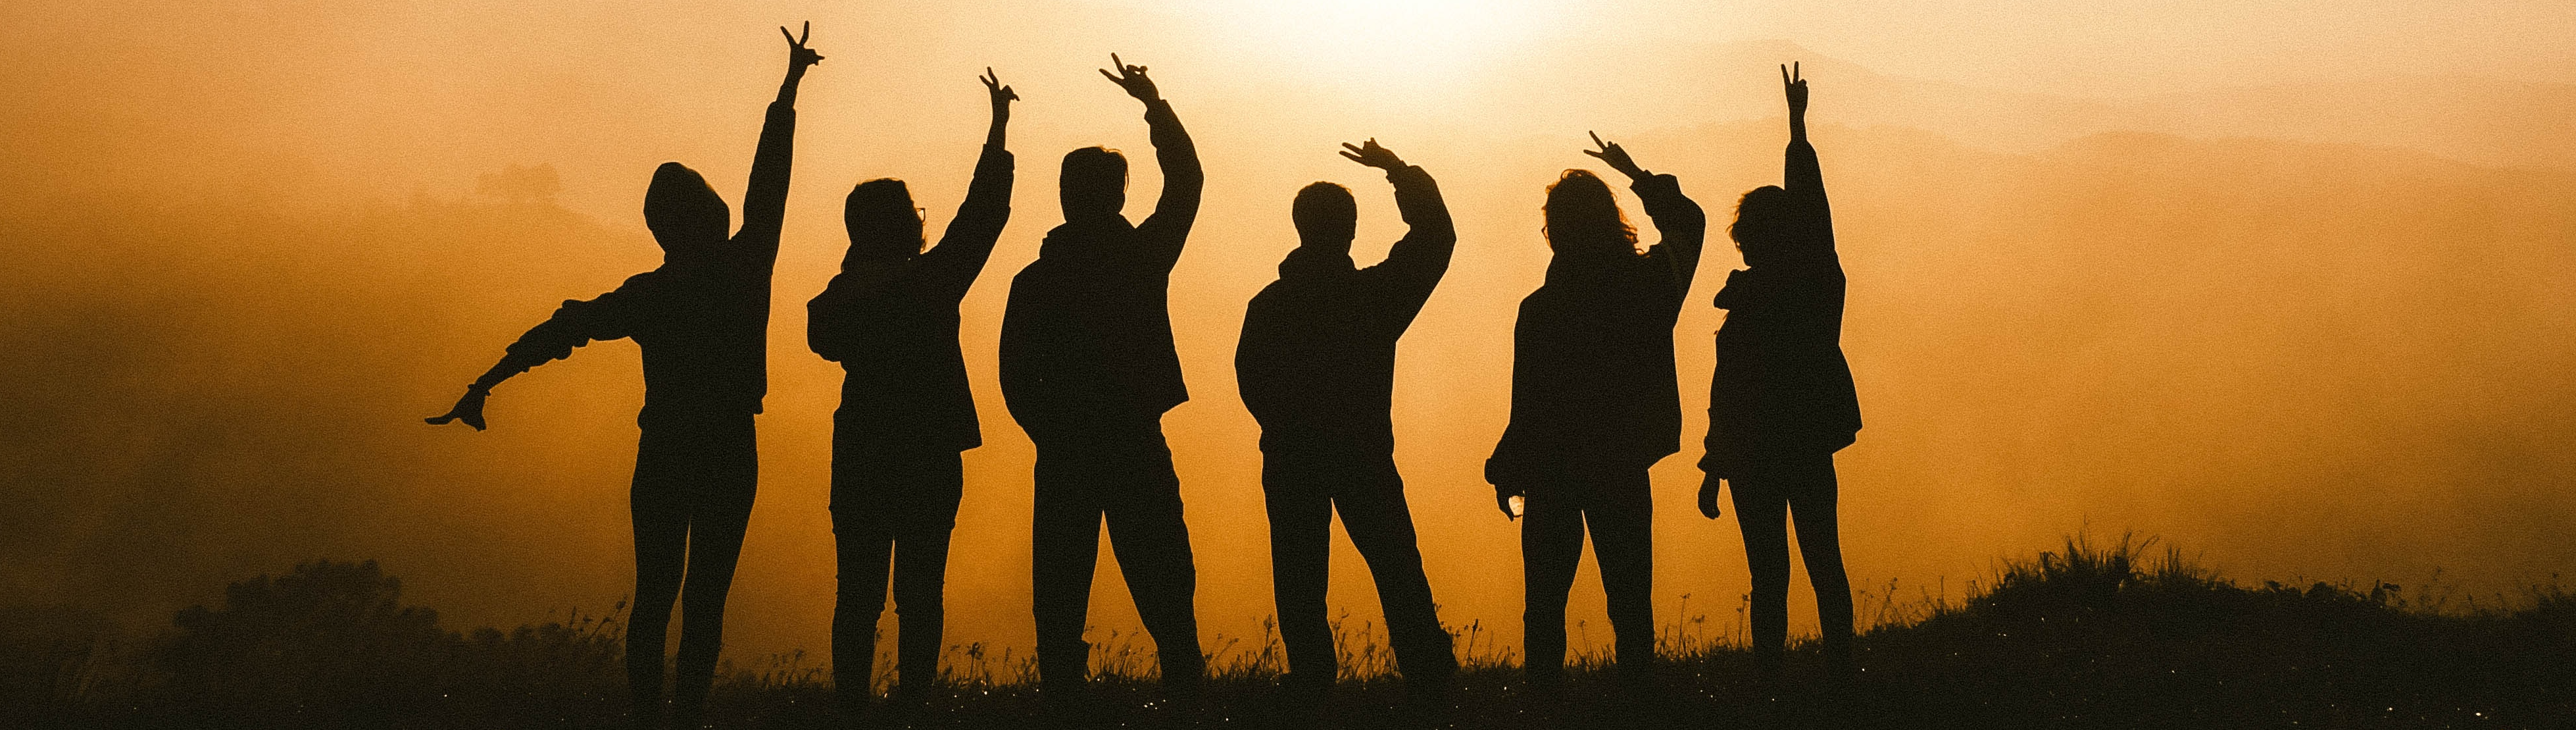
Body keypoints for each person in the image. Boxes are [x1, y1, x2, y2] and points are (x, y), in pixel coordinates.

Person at [426, 23, 820, 730]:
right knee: (703, 601)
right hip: (729, 447)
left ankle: (648, 717)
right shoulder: (744, 267)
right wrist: (787, 92)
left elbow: (564, 328)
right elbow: (770, 183)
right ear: (709, 214)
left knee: (655, 596)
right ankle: (687, 716)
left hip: (665, 449)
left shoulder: (650, 295)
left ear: (661, 227)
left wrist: (487, 381)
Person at [806, 68, 1016, 722]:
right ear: (906, 226)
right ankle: (914, 706)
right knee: (921, 592)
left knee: (857, 593)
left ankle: (851, 706)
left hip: (861, 450)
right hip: (929, 453)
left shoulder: (840, 297)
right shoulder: (932, 282)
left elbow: (821, 335)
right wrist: (998, 131)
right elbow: (983, 216)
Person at [998, 54, 1206, 698]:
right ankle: (1185, 688)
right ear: (1117, 195)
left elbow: (1014, 376)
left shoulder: (1037, 279)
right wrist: (1154, 105)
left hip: (1065, 448)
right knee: (1163, 575)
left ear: (1066, 196)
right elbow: (1187, 182)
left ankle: (1062, 694)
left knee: (1060, 584)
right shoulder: (1140, 258)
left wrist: (1050, 429)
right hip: (1132, 438)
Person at [1235, 140, 1458, 707]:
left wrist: (1285, 427)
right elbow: (1437, 238)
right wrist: (1398, 171)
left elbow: (1250, 380)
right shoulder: (1372, 298)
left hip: (1291, 457)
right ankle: (1429, 675)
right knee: (1396, 565)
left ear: (1299, 228)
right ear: (1352, 231)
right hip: (1363, 455)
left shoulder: (1268, 306)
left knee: (1299, 576)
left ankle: (1312, 681)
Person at [1487, 134, 1705, 691]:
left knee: (1544, 604)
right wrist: (1637, 174)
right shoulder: (1648, 287)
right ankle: (1637, 701)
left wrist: (1506, 467)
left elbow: (1528, 405)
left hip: (1552, 472)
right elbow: (1690, 223)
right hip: (1621, 462)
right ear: (1611, 221)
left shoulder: (1539, 310)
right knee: (1630, 598)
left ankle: (1542, 704)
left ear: (1554, 231)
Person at [1697, 62, 1862, 683]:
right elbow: (1815, 215)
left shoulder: (1762, 299)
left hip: (1753, 456)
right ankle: (1840, 677)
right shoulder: (1816, 286)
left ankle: (1772, 685)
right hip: (1804, 444)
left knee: (1769, 574)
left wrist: (1715, 465)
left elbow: (1728, 397)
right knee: (1823, 561)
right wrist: (1796, 132)